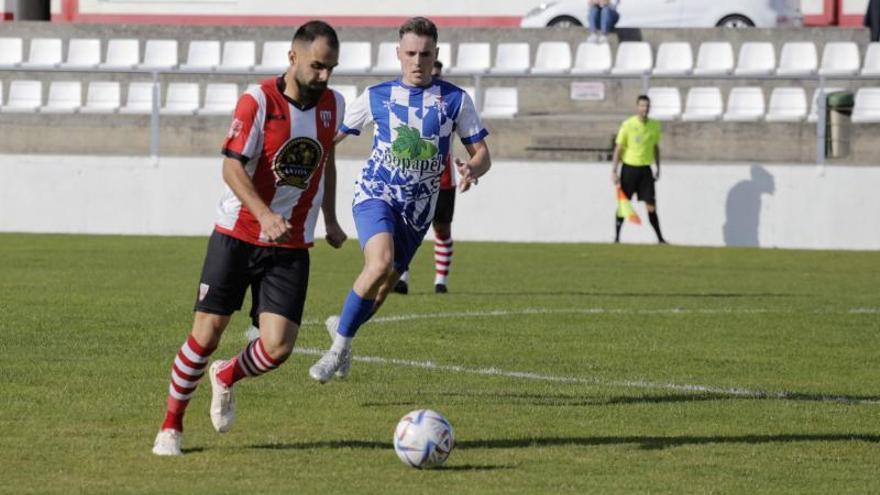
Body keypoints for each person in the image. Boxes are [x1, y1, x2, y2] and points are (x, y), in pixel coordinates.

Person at [151, 20, 347, 456]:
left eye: (331, 68)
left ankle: (226, 376)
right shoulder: (258, 101)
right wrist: (262, 213)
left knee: (278, 347)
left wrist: (331, 218)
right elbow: (231, 167)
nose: (324, 77)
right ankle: (171, 426)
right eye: (317, 66)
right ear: (292, 57)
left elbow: (325, 160)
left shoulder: (333, 103)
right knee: (206, 333)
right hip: (238, 234)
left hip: (292, 243)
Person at [309, 16, 491, 383]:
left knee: (383, 288)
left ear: (436, 54)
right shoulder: (376, 96)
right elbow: (329, 141)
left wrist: (472, 168)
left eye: (425, 54)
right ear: (398, 54)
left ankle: (343, 329)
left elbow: (483, 153)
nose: (417, 61)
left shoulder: (455, 100)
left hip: (418, 210)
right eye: (410, 53)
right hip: (376, 193)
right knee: (380, 264)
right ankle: (335, 352)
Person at [393, 59, 469, 295]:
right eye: (431, 74)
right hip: (412, 178)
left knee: (442, 229)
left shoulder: (450, 103)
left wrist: (470, 166)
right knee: (406, 228)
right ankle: (401, 278)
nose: (433, 78)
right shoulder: (408, 103)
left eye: (437, 75)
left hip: (444, 178)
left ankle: (440, 282)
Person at [611, 94, 666, 244]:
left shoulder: (654, 125)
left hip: (645, 170)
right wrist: (614, 171)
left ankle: (660, 239)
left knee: (651, 205)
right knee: (624, 204)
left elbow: (655, 147)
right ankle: (616, 238)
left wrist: (658, 167)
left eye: (647, 106)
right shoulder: (628, 124)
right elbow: (618, 148)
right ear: (637, 107)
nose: (645, 108)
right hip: (629, 169)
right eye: (642, 105)